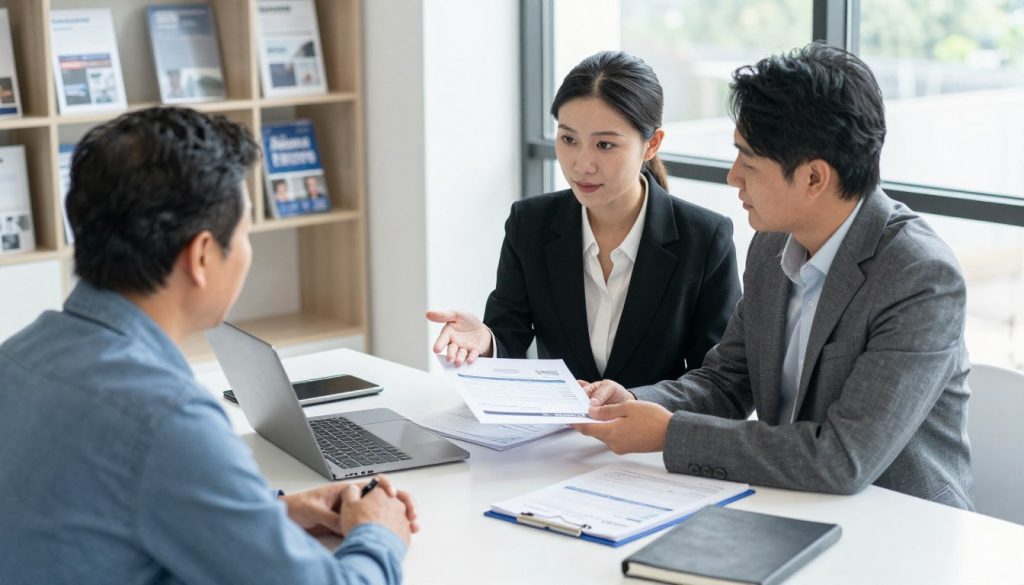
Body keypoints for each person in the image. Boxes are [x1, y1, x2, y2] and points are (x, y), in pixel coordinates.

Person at [0, 107, 418, 583]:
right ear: (201, 255)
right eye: (244, 234)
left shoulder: (17, 358)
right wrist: (379, 534)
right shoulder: (166, 417)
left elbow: (99, 513)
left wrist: (267, 515)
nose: (247, 252)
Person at [575, 42, 973, 509]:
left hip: (901, 526)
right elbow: (726, 381)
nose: (732, 177)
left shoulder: (920, 278)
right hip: (788, 502)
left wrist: (670, 434)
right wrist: (633, 402)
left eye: (748, 160)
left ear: (813, 178)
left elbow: (842, 459)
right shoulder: (772, 244)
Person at [428, 51, 741, 389]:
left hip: (651, 439)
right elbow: (510, 340)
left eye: (605, 145)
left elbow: (719, 382)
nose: (582, 164)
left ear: (651, 144)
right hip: (555, 437)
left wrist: (638, 404)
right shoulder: (529, 224)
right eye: (568, 139)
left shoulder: (706, 239)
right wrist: (486, 343)